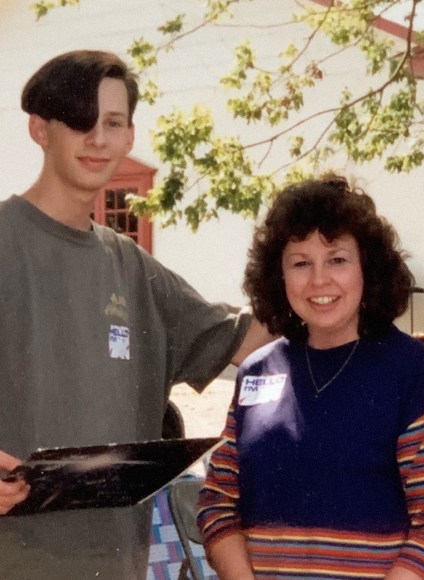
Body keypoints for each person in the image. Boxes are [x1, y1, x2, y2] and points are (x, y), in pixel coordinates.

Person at [0, 50, 270, 580]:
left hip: (116, 563)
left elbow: (253, 343)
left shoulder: (134, 270)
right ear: (39, 129)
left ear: (129, 137)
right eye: (79, 120)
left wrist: (351, 313)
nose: (98, 138)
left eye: (113, 123)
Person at [197, 175, 424, 579]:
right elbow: (218, 500)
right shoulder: (257, 371)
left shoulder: (415, 373)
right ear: (279, 275)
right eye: (300, 263)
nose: (319, 280)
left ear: (367, 268)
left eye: (337, 259)